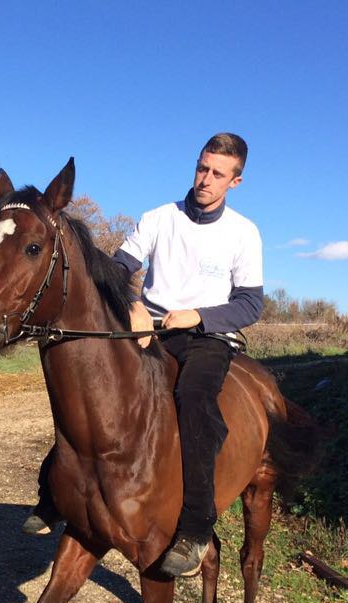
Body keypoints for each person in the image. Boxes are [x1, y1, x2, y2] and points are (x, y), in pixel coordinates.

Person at [23, 132, 264, 578]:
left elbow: (251, 304)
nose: (205, 180)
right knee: (92, 389)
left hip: (208, 337)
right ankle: (53, 492)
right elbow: (116, 269)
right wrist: (132, 303)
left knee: (194, 400)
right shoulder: (159, 218)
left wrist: (198, 316)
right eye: (201, 167)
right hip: (148, 328)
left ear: (236, 181)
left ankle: (194, 525)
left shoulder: (243, 233)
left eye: (217, 173)